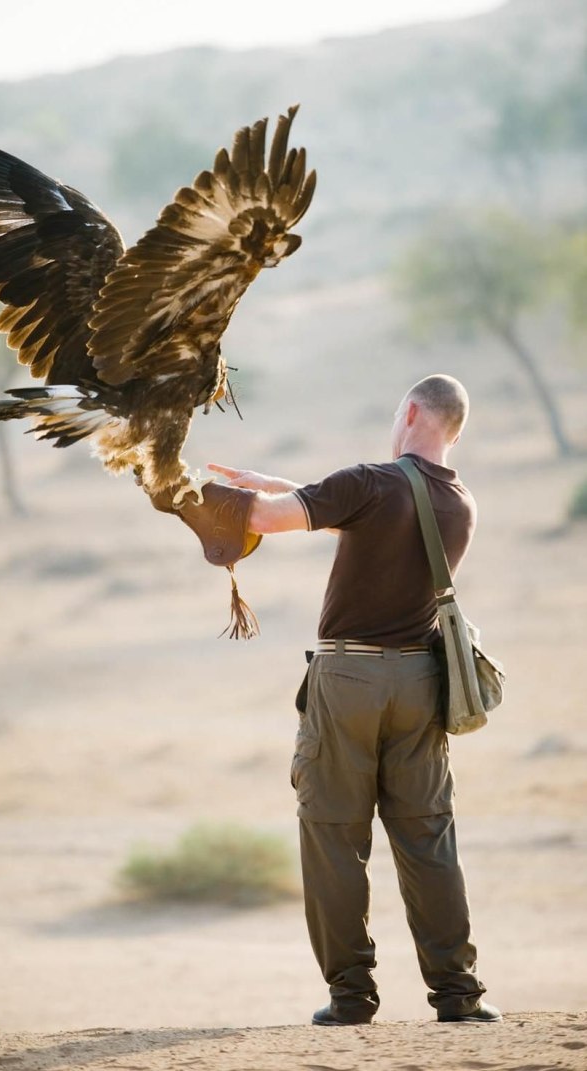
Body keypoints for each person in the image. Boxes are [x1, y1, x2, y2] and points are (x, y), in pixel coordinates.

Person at [208, 373, 501, 1027]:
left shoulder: (369, 482)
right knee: (428, 839)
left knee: (334, 835)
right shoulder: (459, 504)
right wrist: (283, 486)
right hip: (421, 686)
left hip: (348, 683)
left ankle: (351, 996)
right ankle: (459, 995)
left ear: (412, 412)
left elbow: (261, 521)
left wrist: (178, 485)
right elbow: (364, 517)